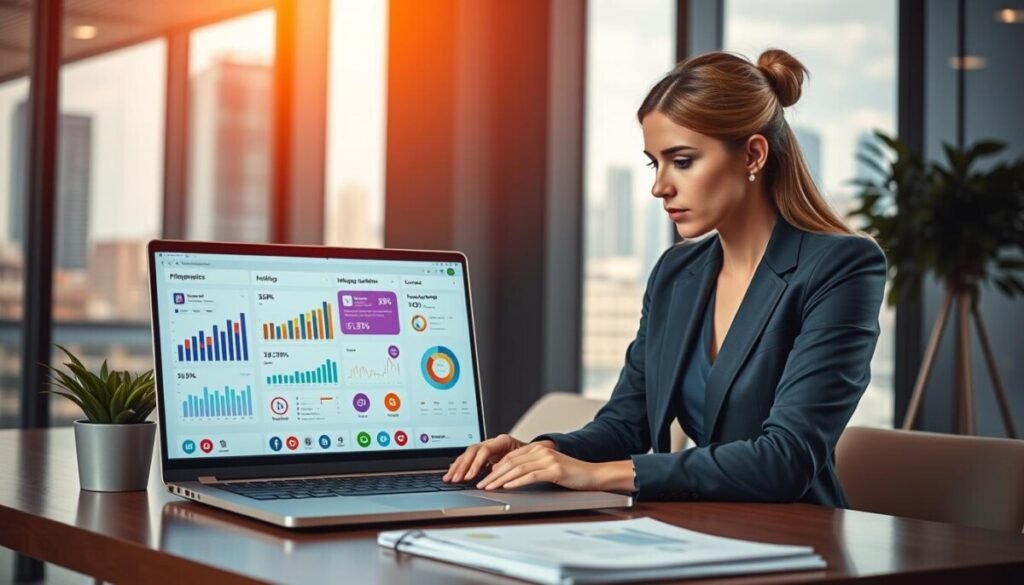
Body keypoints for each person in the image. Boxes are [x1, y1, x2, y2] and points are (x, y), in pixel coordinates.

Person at [442, 49, 886, 507]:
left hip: (800, 541)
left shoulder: (843, 266)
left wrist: (596, 477)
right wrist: (541, 452)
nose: (660, 186)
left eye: (683, 160)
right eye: (656, 163)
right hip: (694, 530)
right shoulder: (677, 273)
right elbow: (625, 423)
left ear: (753, 154)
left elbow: (785, 459)